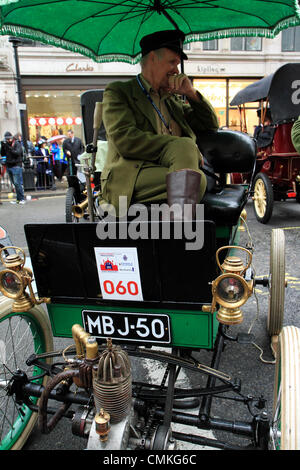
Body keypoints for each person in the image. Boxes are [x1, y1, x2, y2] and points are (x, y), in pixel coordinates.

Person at [101, 29, 219, 217]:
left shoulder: (173, 100)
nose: (176, 70)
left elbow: (211, 124)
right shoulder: (119, 92)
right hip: (133, 174)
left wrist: (191, 94)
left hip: (171, 172)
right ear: (153, 58)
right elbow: (125, 141)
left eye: (178, 65)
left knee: (197, 180)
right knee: (189, 166)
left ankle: (176, 232)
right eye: (172, 62)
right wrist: (182, 146)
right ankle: (179, 235)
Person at [0, 132, 26, 204]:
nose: (8, 140)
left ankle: (22, 199)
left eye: (9, 139)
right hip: (9, 166)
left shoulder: (17, 144)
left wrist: (9, 148)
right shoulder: (6, 145)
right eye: (6, 139)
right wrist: (3, 146)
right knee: (15, 184)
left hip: (16, 166)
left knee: (17, 183)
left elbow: (17, 153)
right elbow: (3, 154)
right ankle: (18, 199)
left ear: (11, 138)